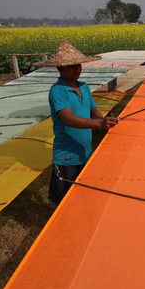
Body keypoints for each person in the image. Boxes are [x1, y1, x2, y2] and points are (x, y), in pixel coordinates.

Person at [34, 40, 118, 204]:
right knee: (64, 200)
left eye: (78, 65)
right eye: (71, 65)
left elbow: (93, 111)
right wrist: (99, 124)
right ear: (59, 68)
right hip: (66, 157)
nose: (76, 69)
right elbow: (68, 119)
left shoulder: (84, 87)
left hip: (85, 153)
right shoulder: (57, 91)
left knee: (84, 196)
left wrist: (106, 122)